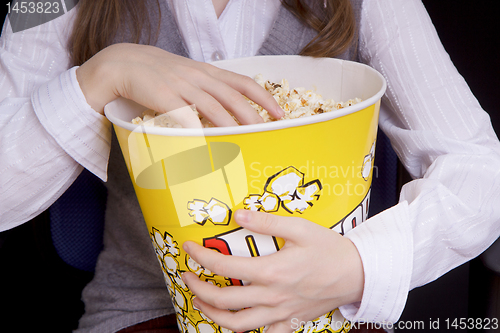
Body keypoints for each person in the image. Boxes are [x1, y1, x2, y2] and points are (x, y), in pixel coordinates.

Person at [1, 0, 500, 332]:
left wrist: (358, 266)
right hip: (144, 312)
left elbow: (481, 169)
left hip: (325, 312)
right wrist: (100, 76)